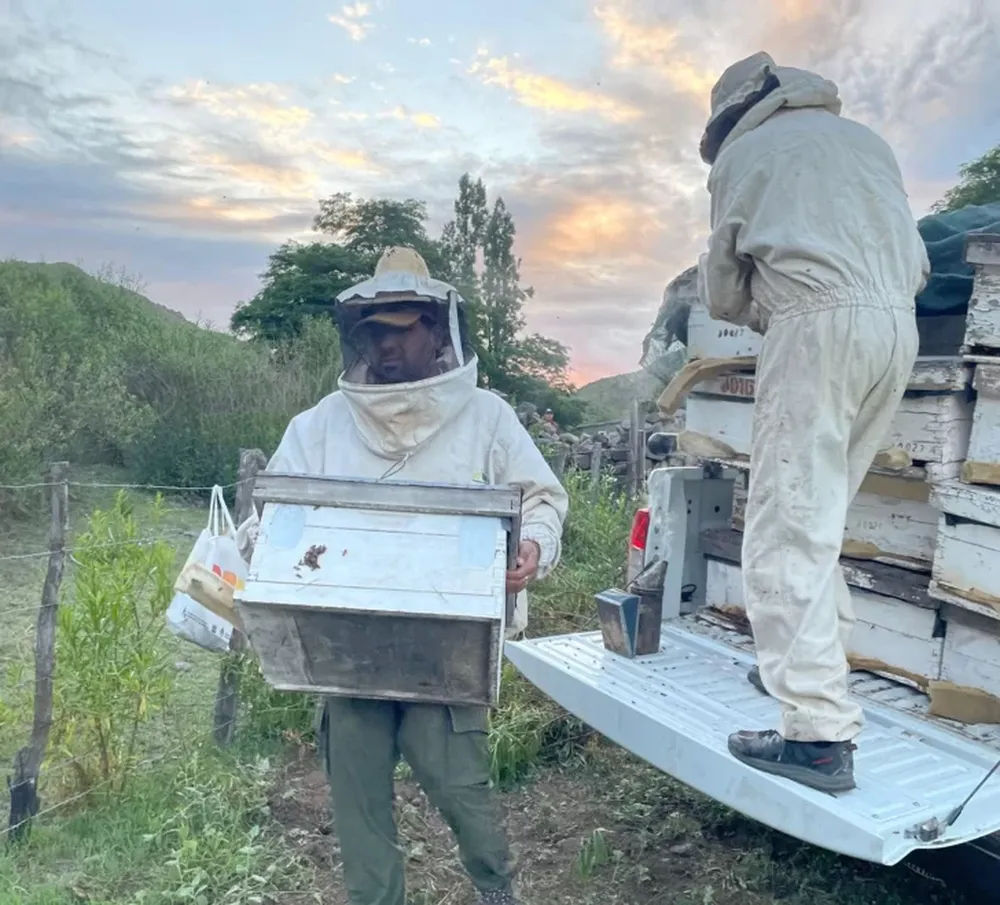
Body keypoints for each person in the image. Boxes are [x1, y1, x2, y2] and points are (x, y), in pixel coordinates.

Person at [257, 246, 568, 905]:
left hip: (446, 647)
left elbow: (541, 498)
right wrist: (264, 553)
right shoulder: (317, 425)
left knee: (460, 787)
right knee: (359, 808)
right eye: (376, 330)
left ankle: (494, 884)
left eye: (402, 327)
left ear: (436, 329)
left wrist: (534, 545)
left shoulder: (487, 416)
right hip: (347, 647)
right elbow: (270, 516)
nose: (388, 344)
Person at [696, 52, 929, 792]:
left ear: (733, 115)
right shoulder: (867, 143)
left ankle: (819, 737)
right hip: (898, 331)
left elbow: (724, 293)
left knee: (784, 530)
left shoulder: (745, 154)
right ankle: (815, 692)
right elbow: (917, 262)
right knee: (818, 524)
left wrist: (784, 299)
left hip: (815, 329)